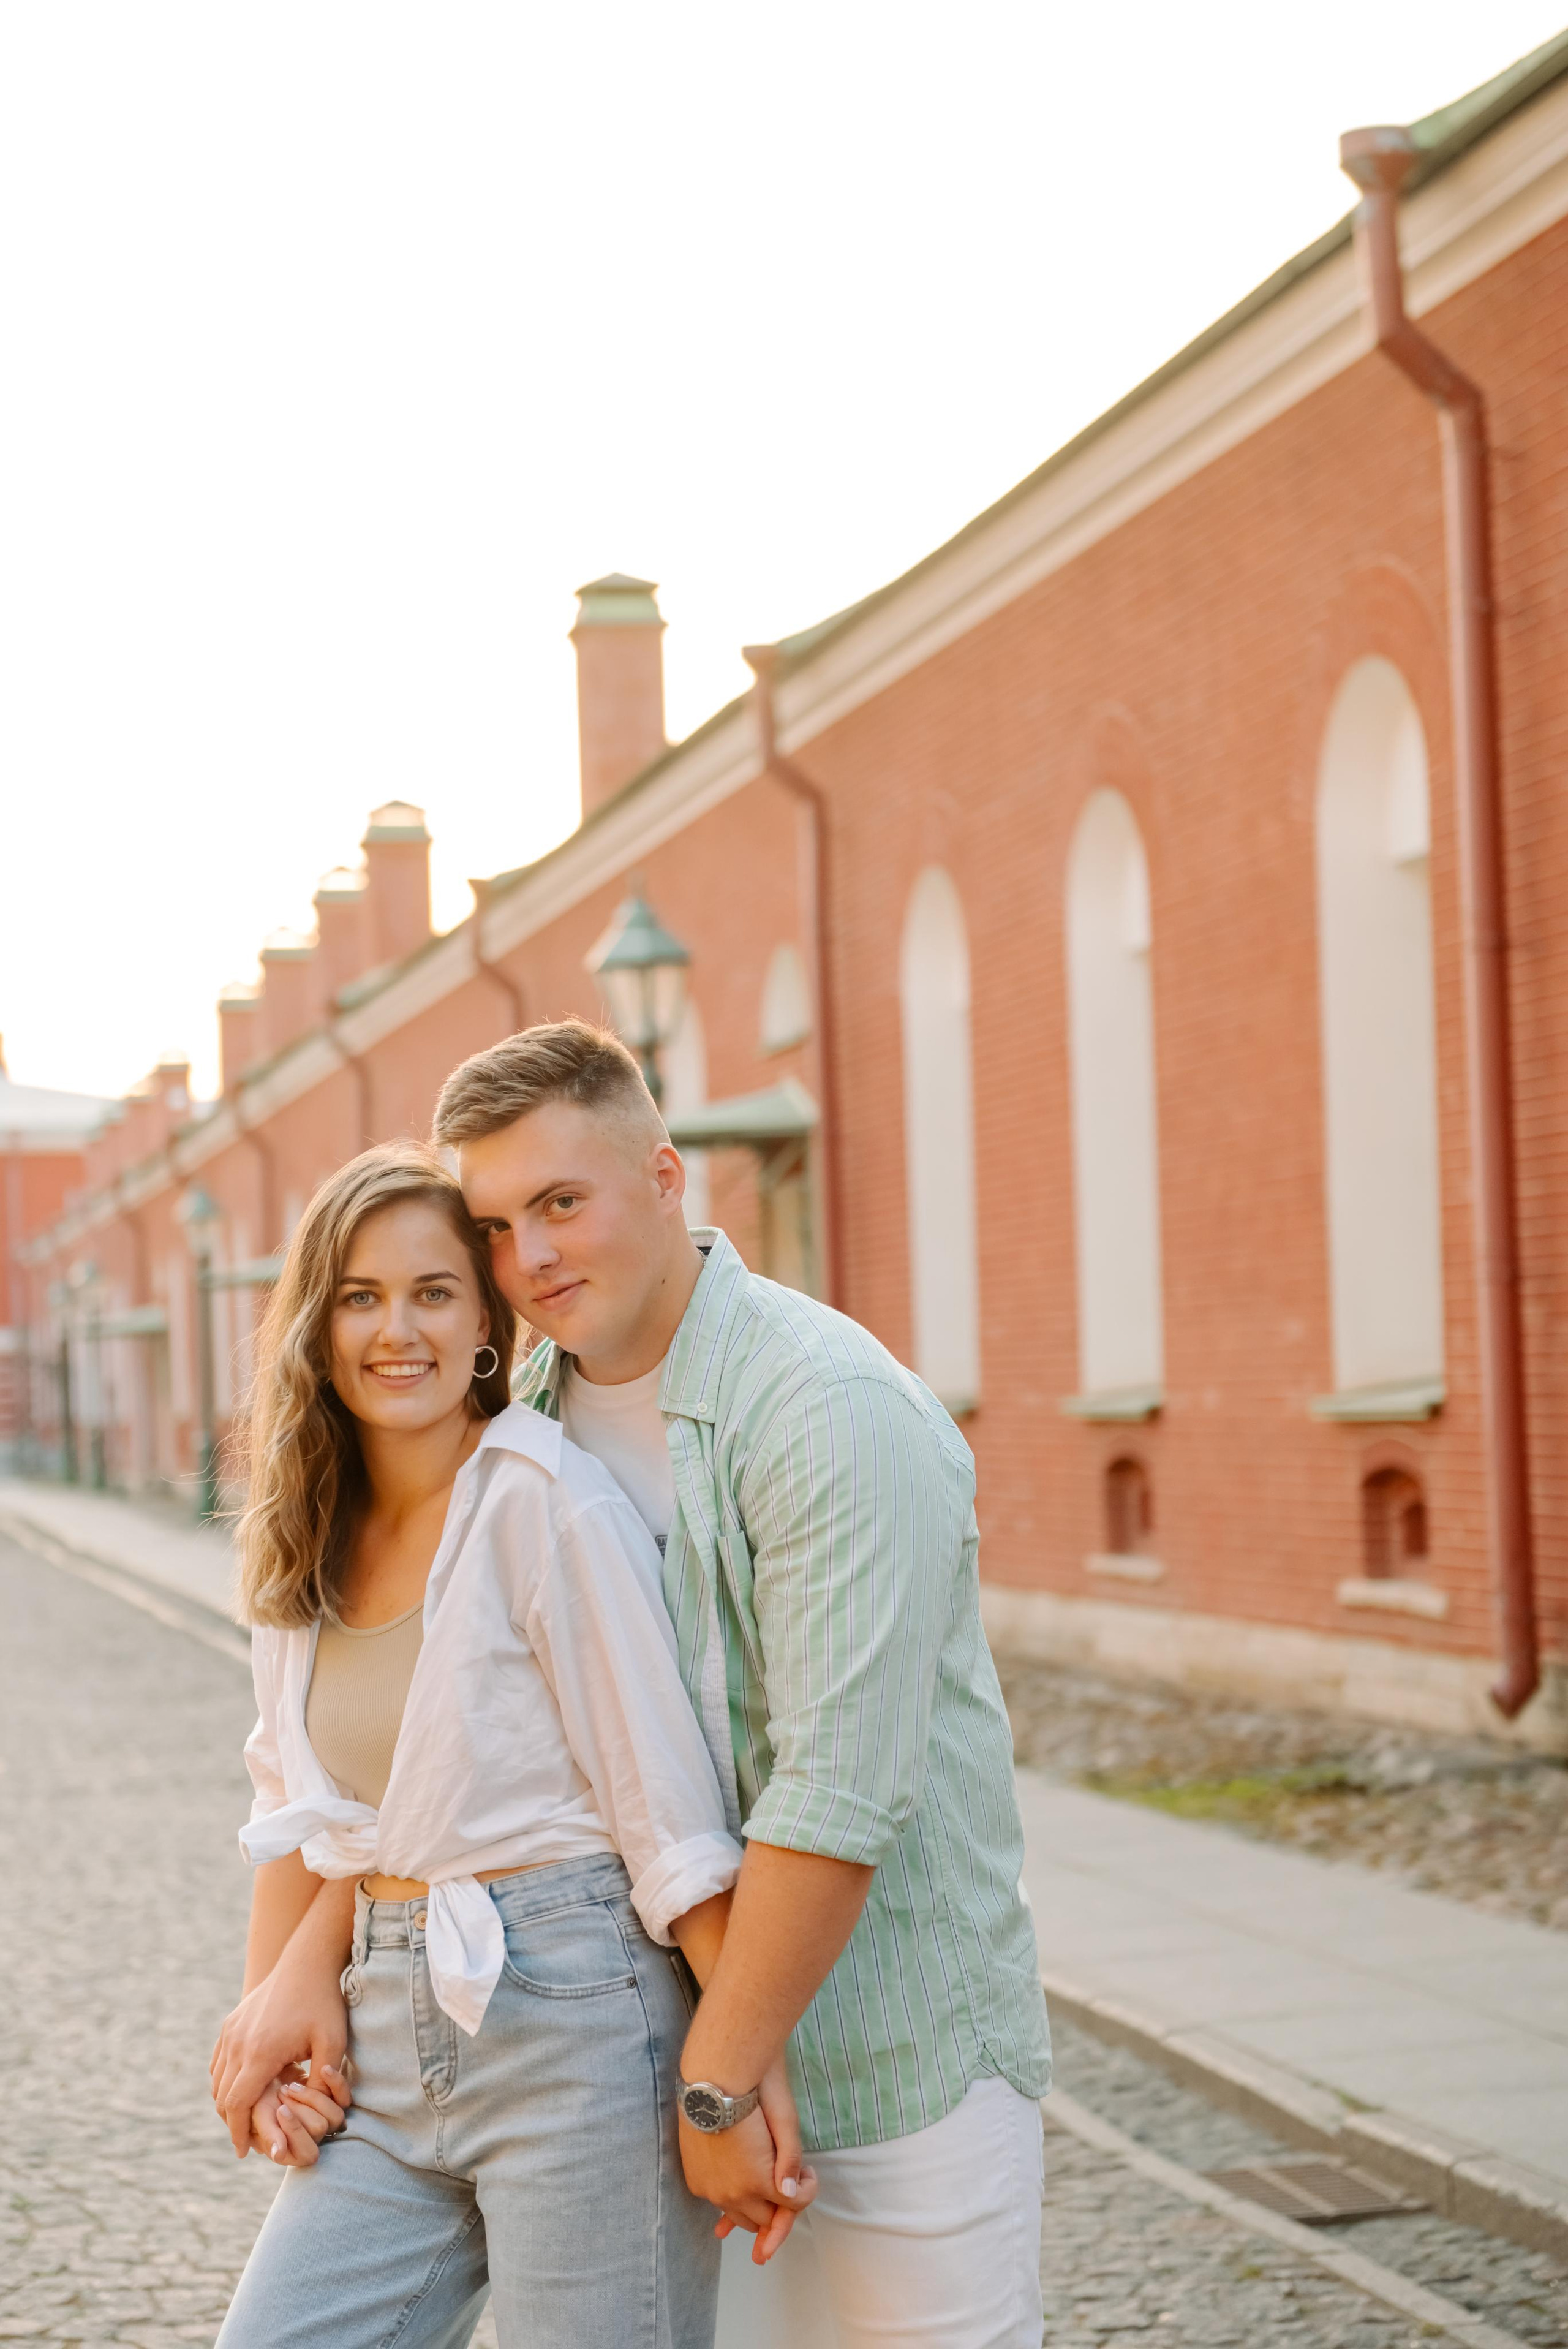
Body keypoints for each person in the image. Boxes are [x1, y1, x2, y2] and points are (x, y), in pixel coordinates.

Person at [431, 1020, 1052, 2349]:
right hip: (652, 2076)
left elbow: (835, 1794)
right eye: (490, 1226)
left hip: (890, 2070)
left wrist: (720, 2081)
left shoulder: (823, 1407)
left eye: (559, 1203)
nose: (527, 1258)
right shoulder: (512, 1434)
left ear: (664, 1180)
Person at [209, 1144, 808, 2349]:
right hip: (384, 2030)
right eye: (362, 1296)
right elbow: (296, 1813)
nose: (399, 1330)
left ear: (488, 1324)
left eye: (433, 1292)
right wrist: (276, 2006)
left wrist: (735, 2076)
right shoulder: (302, 1532)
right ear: (317, 1324)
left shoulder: (539, 1497)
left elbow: (667, 1814)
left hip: (574, 2025)